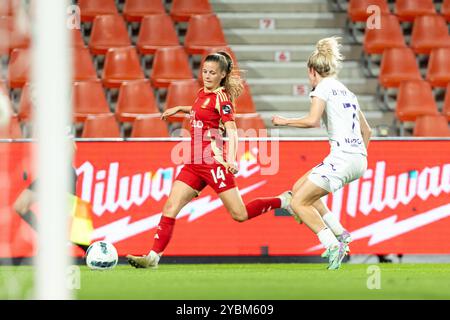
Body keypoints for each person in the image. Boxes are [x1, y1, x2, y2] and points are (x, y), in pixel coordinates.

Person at [126, 51, 292, 268]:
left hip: (214, 163)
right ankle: (152, 258)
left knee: (239, 214)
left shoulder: (222, 99)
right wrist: (180, 109)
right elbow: (199, 111)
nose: (207, 75)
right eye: (205, 71)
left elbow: (232, 131)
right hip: (194, 163)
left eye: (212, 73)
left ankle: (284, 200)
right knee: (170, 207)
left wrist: (231, 159)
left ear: (222, 75)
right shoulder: (202, 93)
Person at [272, 37, 372, 270]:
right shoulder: (347, 92)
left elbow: (312, 121)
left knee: (298, 203)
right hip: (358, 157)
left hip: (343, 157)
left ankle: (332, 244)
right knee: (299, 188)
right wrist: (358, 157)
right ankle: (341, 234)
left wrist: (284, 121)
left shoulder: (322, 88)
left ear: (311, 71)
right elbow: (368, 130)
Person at [13, 136, 90, 253]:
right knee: (20, 206)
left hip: (63, 173)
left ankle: (90, 250)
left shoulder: (56, 121)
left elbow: (71, 145)